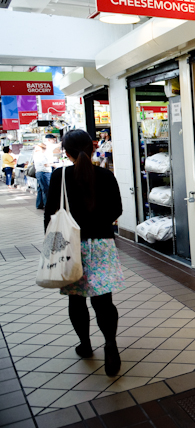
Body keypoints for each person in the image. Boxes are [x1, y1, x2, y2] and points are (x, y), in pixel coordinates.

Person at [45, 130, 124, 376]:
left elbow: (50, 214)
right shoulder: (105, 175)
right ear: (92, 148)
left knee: (76, 300)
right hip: (101, 244)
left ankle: (86, 345)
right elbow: (117, 209)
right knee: (103, 301)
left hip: (71, 247)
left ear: (66, 152)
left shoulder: (60, 175)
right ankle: (110, 345)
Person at [34, 134, 59, 209]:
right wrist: (54, 165)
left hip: (40, 172)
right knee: (46, 189)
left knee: (41, 189)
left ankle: (39, 204)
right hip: (44, 173)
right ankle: (48, 206)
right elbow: (45, 164)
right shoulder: (40, 154)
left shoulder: (37, 154)